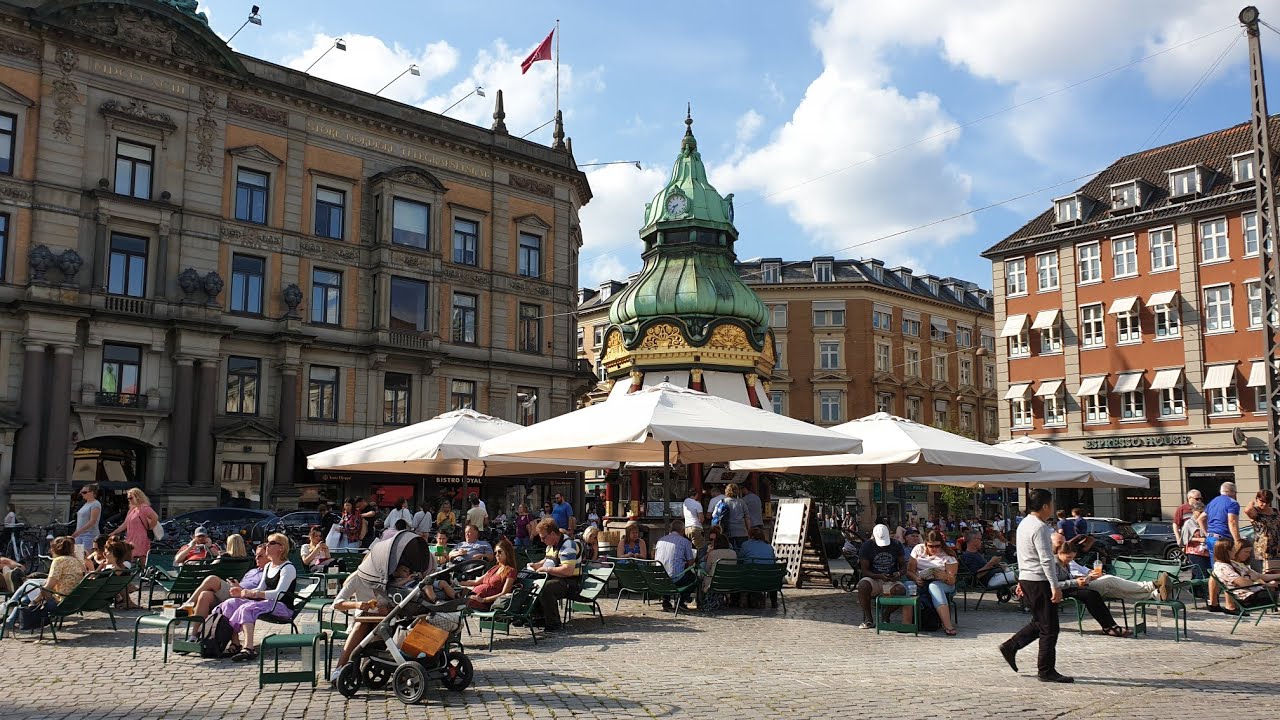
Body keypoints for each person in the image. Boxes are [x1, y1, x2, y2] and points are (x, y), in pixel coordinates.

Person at [999, 488, 1073, 683]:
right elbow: (1046, 559)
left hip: (1028, 577)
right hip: (1039, 579)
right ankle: (1046, 670)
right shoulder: (1040, 527)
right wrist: (1055, 586)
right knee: (1050, 628)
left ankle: (1011, 646)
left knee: (1041, 622)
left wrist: (1021, 580)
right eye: (1052, 504)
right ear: (1045, 506)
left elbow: (1022, 555)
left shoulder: (1024, 524)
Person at [328, 559, 425, 685]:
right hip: (364, 618)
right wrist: (357, 604)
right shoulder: (357, 578)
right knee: (361, 625)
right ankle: (340, 668)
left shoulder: (387, 579)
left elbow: (400, 602)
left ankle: (368, 667)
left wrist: (389, 609)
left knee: (380, 628)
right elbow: (337, 603)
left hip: (385, 621)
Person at [216, 533, 298, 662]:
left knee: (248, 607)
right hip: (267, 603)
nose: (267, 546)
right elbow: (260, 588)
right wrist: (243, 591)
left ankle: (249, 648)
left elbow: (279, 594)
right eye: (267, 542)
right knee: (230, 603)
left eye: (271, 543)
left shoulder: (288, 568)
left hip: (282, 607)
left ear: (281, 548)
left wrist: (253, 594)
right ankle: (235, 643)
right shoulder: (268, 567)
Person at [1051, 538, 1132, 638]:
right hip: (1057, 591)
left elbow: (1068, 577)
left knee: (1093, 594)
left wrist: (1084, 579)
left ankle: (1110, 625)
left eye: (1072, 558)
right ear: (1060, 553)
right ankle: (1109, 626)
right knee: (1090, 595)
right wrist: (1075, 582)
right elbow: (1053, 584)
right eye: (1068, 557)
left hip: (1067, 588)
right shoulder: (1054, 564)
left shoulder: (1065, 562)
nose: (1070, 560)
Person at [4, 536, 84, 628]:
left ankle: (8, 606)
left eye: (51, 548)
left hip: (60, 601)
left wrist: (35, 601)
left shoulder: (59, 561)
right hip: (72, 600)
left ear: (55, 549)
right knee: (25, 598)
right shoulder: (76, 561)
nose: (50, 550)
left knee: (27, 586)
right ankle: (9, 622)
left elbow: (49, 586)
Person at [185, 543, 269, 620]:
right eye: (256, 555)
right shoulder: (252, 571)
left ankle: (187, 606)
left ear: (269, 556)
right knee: (205, 595)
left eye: (260, 556)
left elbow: (261, 593)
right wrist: (236, 585)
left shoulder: (269, 573)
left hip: (244, 596)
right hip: (234, 591)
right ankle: (195, 635)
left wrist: (240, 589)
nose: (256, 558)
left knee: (211, 579)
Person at [526, 518, 579, 632]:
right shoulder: (550, 546)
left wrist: (547, 569)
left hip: (570, 582)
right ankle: (538, 618)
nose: (541, 540)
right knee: (530, 583)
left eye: (543, 537)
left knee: (546, 589)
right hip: (556, 578)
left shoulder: (568, 545)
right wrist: (535, 565)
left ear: (553, 534)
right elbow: (547, 559)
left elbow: (568, 570)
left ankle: (554, 623)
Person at [855, 524, 907, 630]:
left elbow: (903, 567)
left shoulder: (896, 544)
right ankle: (868, 619)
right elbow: (865, 571)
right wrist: (878, 576)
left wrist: (897, 574)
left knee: (901, 590)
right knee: (863, 585)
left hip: (891, 580)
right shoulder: (867, 546)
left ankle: (886, 614)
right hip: (874, 578)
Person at [907, 530, 959, 636]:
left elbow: (952, 580)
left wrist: (944, 576)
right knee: (908, 585)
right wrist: (916, 578)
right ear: (926, 544)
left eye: (937, 546)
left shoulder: (948, 556)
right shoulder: (918, 549)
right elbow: (909, 571)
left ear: (941, 544)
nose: (934, 549)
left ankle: (947, 625)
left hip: (943, 584)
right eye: (931, 546)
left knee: (934, 586)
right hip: (921, 581)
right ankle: (907, 623)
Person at [1205, 482, 1242, 613]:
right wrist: (1237, 540)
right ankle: (1229, 605)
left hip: (1210, 538)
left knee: (1215, 570)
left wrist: (1206, 533)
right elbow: (1232, 521)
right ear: (1234, 492)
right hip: (1223, 539)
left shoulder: (1213, 502)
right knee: (1228, 569)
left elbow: (1200, 518)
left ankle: (1213, 602)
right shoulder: (1232, 503)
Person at [1214, 538, 1280, 609]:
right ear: (1227, 551)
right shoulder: (1223, 567)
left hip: (1256, 592)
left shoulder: (1233, 564)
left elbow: (1258, 576)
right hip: (1248, 597)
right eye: (1233, 549)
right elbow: (1245, 583)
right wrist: (1266, 585)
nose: (1234, 551)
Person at [653, 518, 696, 611]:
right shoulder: (685, 542)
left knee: (667, 570)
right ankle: (681, 601)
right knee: (693, 578)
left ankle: (666, 600)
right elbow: (690, 562)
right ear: (682, 530)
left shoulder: (660, 541)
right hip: (675, 578)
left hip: (660, 577)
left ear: (670, 529)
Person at [461, 539, 517, 609]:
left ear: (507, 552)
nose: (497, 555)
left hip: (486, 603)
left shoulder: (511, 571)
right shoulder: (495, 568)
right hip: (474, 597)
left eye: (499, 552)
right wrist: (459, 582)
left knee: (460, 605)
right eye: (495, 553)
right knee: (458, 600)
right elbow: (476, 582)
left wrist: (484, 600)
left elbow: (504, 593)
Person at [108, 487, 160, 563]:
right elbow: (125, 524)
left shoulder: (145, 508)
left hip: (141, 538)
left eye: (131, 498)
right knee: (130, 558)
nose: (129, 500)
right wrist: (114, 533)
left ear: (137, 497)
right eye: (128, 498)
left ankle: (143, 573)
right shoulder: (132, 509)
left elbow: (155, 517)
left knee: (141, 558)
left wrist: (150, 528)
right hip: (131, 538)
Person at [958, 533, 1015, 597]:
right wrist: (991, 563)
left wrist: (995, 564)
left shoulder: (976, 553)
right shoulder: (968, 556)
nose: (981, 542)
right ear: (974, 540)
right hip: (989, 580)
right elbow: (976, 575)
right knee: (1020, 574)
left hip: (995, 575)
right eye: (980, 539)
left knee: (1018, 571)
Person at [738, 526, 779, 609]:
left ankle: (740, 600)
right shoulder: (769, 547)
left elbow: (740, 560)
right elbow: (773, 562)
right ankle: (773, 601)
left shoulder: (746, 545)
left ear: (751, 536)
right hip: (769, 579)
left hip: (752, 578)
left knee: (744, 571)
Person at [1244, 489, 1280, 569]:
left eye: (1267, 502)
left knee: (1276, 573)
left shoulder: (1275, 511)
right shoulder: (1256, 511)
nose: (1264, 504)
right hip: (1262, 549)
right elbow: (1247, 510)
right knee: (1264, 572)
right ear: (1257, 499)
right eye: (1261, 501)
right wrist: (1252, 503)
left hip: (1276, 548)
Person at [1181, 501, 1211, 584]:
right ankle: (1200, 592)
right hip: (1194, 552)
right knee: (1201, 573)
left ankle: (1194, 589)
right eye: (1200, 511)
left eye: (1203, 512)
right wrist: (1199, 540)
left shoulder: (1206, 522)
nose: (1202, 514)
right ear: (1194, 511)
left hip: (1206, 551)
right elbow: (1184, 539)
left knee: (1206, 572)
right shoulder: (1189, 523)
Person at [72, 483, 102, 553]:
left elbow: (92, 521)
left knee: (85, 557)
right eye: (81, 492)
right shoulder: (86, 504)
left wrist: (78, 532)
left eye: (84, 492)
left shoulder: (95, 504)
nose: (82, 494)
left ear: (91, 493)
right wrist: (77, 532)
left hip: (89, 534)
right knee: (78, 555)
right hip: (80, 534)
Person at [719, 483, 750, 550]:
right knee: (742, 550)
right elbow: (747, 517)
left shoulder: (723, 502)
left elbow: (717, 515)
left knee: (730, 550)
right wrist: (749, 529)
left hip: (728, 530)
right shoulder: (742, 502)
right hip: (742, 530)